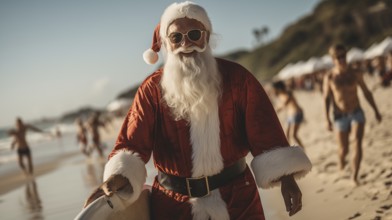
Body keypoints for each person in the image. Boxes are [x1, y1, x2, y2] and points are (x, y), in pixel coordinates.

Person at [83, 2, 312, 219]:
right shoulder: (151, 90)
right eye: (176, 37)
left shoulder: (238, 79)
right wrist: (118, 177)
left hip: (239, 198)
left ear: (206, 37)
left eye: (194, 35)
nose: (186, 44)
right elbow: (132, 143)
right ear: (166, 43)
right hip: (173, 205)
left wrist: (287, 177)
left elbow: (264, 129)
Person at [323, 44, 382, 185]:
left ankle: (354, 176)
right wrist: (327, 119)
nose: (342, 59)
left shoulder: (355, 72)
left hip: (356, 112)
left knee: (357, 141)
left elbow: (366, 92)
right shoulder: (330, 76)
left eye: (343, 55)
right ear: (333, 60)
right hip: (339, 116)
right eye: (338, 57)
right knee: (343, 149)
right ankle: (341, 163)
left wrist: (376, 110)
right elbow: (326, 98)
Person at [272, 80, 305, 148]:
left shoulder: (288, 93)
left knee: (293, 135)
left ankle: (303, 149)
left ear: (278, 88)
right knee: (286, 135)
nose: (273, 91)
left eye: (274, 89)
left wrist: (276, 110)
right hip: (290, 115)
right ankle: (289, 150)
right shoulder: (280, 95)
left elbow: (285, 103)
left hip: (296, 113)